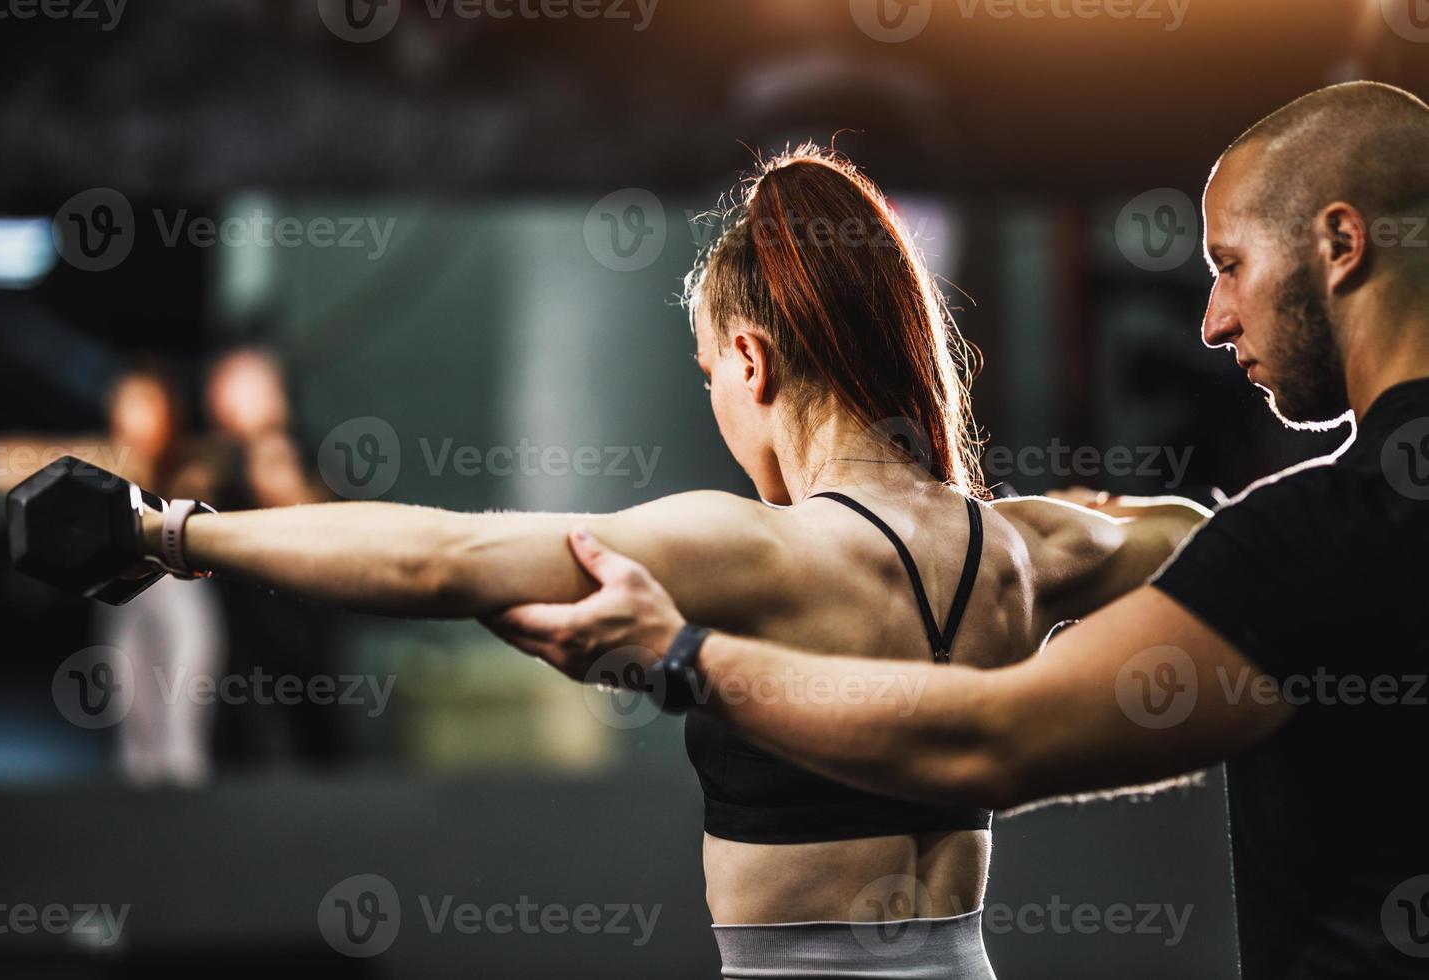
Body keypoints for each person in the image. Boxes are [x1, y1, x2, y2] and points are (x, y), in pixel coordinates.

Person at [98, 147, 1208, 978]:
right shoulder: (1034, 543)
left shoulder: (751, 549)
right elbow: (1215, 534)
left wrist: (165, 531)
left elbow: (441, 558)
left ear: (748, 355)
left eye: (709, 375)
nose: (717, 403)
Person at [488, 82, 1429, 978]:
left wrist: (682, 655)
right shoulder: (1137, 546)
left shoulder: (1315, 535)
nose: (1214, 321)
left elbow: (994, 740)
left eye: (1227, 264)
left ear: (1343, 241)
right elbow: (1178, 545)